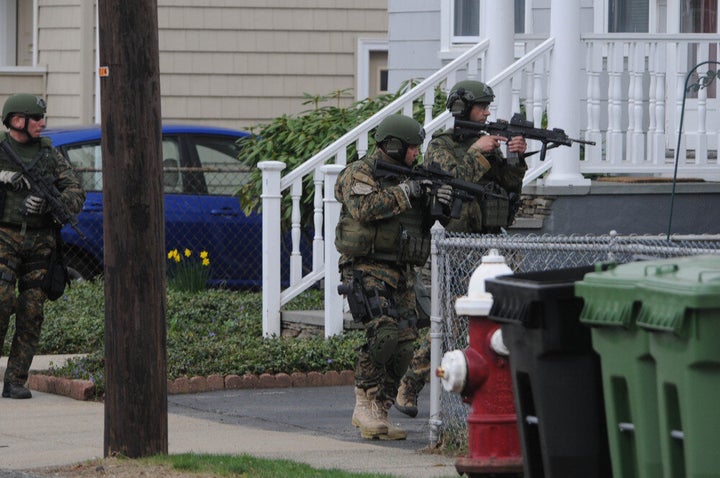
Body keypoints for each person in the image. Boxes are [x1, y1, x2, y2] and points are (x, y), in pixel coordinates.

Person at [395, 80, 528, 418]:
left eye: (487, 107)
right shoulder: (441, 144)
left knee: (502, 315)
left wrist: (516, 157)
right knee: (447, 318)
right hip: (456, 244)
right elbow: (450, 180)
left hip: (489, 243)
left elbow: (509, 185)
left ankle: (496, 390)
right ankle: (409, 386)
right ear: (461, 108)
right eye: (481, 107)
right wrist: (476, 152)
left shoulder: (487, 144)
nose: (486, 113)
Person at [335, 114, 453, 440]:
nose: (417, 154)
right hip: (365, 267)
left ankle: (381, 410)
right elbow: (363, 208)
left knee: (404, 345)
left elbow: (426, 222)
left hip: (402, 271)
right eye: (413, 148)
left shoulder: (414, 175)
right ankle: (363, 403)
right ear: (393, 145)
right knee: (383, 334)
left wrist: (437, 201)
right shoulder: (360, 172)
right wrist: (408, 190)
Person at [0, 93, 85, 399]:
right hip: (4, 238)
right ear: (17, 120)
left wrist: (50, 205)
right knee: (1, 301)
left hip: (40, 243)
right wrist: (3, 176)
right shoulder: (1, 148)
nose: (42, 124)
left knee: (32, 309)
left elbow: (75, 190)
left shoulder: (49, 155)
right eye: (36, 118)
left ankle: (15, 381)